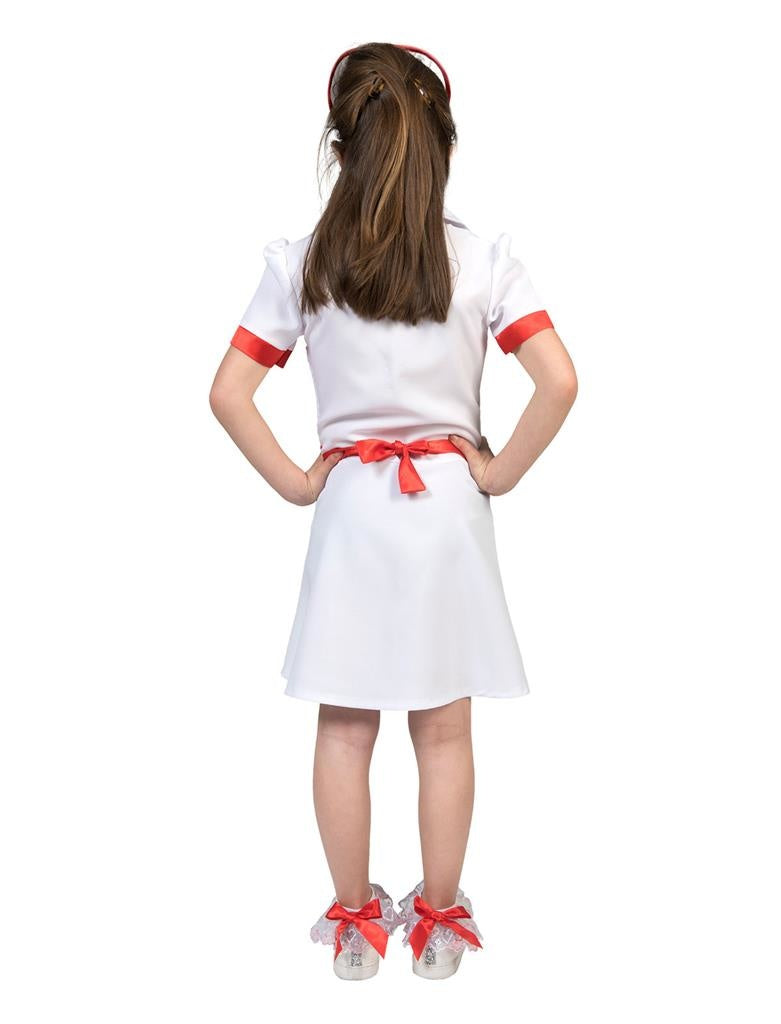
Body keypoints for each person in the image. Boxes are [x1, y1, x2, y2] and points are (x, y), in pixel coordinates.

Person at [209, 41, 577, 981]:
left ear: (339, 146)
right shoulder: (482, 260)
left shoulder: (303, 264)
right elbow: (559, 381)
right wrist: (497, 473)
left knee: (345, 726)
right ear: (442, 145)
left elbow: (228, 393)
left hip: (350, 515)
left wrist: (301, 481)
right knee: (442, 728)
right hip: (447, 513)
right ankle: (439, 926)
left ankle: (353, 927)